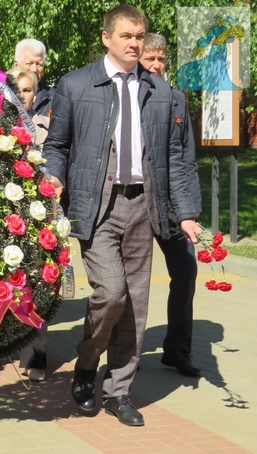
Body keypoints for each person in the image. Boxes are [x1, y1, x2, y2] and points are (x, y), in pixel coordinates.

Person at [42, 5, 201, 426]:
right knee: (110, 294)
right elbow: (56, 146)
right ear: (106, 38)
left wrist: (185, 214)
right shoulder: (76, 85)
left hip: (143, 205)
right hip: (97, 205)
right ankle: (86, 363)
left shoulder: (160, 92)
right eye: (127, 36)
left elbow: (177, 160)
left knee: (136, 305)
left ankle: (118, 391)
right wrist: (54, 179)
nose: (135, 43)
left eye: (140, 36)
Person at [140, 32, 203, 377]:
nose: (156, 64)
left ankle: (177, 349)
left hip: (171, 206)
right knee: (129, 282)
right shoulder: (129, 99)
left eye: (161, 59)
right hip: (134, 202)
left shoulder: (177, 99)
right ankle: (124, 356)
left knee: (186, 270)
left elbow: (186, 160)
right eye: (150, 58)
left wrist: (190, 212)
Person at [6, 67, 49, 381]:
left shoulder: (47, 129)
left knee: (35, 283)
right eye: (16, 89)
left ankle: (35, 358)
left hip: (36, 216)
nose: (21, 96)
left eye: (27, 90)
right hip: (1, 217)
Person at [13, 38, 52, 116]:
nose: (34, 70)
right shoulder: (0, 94)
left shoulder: (55, 99)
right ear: (16, 65)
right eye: (29, 63)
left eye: (39, 64)